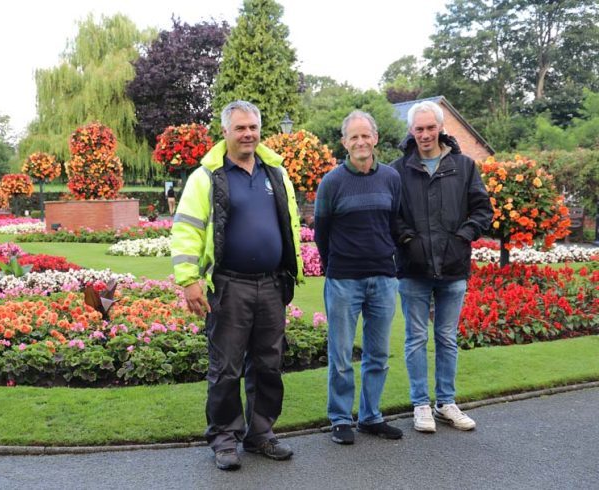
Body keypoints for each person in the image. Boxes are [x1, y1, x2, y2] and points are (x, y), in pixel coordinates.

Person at [170, 100, 304, 471]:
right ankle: (224, 438)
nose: (248, 134)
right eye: (240, 128)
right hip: (229, 286)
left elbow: (288, 224)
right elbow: (186, 229)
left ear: (260, 130)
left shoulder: (274, 172)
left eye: (253, 127)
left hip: (273, 285)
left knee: (268, 364)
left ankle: (261, 434)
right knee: (226, 367)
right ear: (226, 131)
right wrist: (189, 281)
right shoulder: (207, 177)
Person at [390, 101, 492, 433]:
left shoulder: (464, 166)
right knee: (416, 338)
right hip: (413, 268)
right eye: (418, 129)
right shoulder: (397, 170)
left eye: (430, 128)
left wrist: (463, 236)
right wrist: (408, 240)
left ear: (441, 128)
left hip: (453, 266)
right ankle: (421, 404)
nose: (424, 134)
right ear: (411, 131)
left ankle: (446, 402)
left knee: (447, 337)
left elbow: (482, 210)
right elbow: (392, 216)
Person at [314, 110, 403, 445]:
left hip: (383, 278)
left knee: (378, 354)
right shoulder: (332, 182)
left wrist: (391, 262)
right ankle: (340, 418)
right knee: (340, 356)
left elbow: (394, 224)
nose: (361, 142)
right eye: (354, 137)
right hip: (344, 280)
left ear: (375, 138)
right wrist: (335, 264)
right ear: (344, 142)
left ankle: (370, 416)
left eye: (366, 135)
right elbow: (321, 231)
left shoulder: (391, 178)